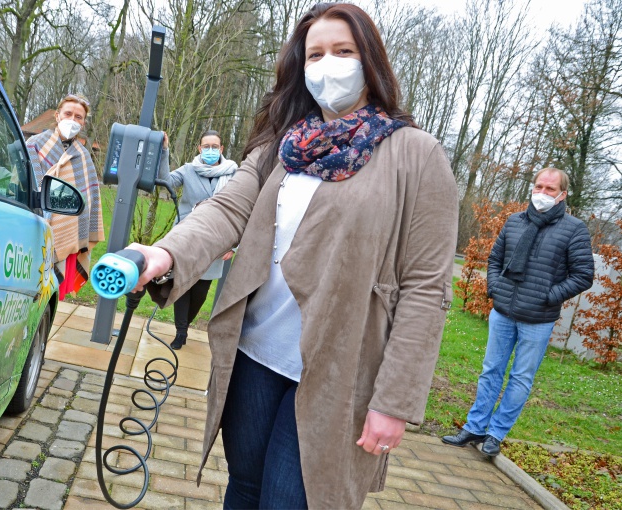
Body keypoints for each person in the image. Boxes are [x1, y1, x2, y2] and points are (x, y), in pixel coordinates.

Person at [126, 4, 459, 508]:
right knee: (244, 488)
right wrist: (164, 253)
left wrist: (394, 400)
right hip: (255, 353)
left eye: (343, 51)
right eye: (315, 54)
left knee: (292, 499)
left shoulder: (416, 155)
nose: (328, 64)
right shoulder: (283, 144)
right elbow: (226, 210)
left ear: (370, 62)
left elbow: (427, 287)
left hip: (339, 372)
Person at [442, 168, 594, 458]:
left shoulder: (574, 229)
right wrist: (495, 287)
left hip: (538, 318)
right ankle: (475, 426)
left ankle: (495, 434)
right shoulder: (515, 221)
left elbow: (583, 275)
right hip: (503, 311)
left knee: (521, 379)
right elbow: (496, 259)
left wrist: (548, 296)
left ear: (563, 194)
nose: (543, 193)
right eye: (539, 186)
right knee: (491, 371)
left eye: (550, 189)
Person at [157, 130, 237, 349]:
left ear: (221, 149)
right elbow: (166, 182)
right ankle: (181, 332)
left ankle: (185, 324)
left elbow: (241, 209)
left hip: (216, 242)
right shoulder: (188, 170)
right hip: (186, 238)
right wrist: (164, 151)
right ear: (199, 148)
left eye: (215, 146)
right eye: (206, 146)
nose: (210, 150)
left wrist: (234, 244)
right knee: (182, 285)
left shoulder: (234, 173)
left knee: (200, 292)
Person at [26, 94, 104, 298]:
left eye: (79, 117)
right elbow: (25, 182)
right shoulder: (34, 144)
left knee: (51, 294)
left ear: (84, 122)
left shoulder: (84, 156)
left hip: (67, 231)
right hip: (33, 224)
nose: (73, 119)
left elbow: (89, 200)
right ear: (57, 115)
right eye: (68, 113)